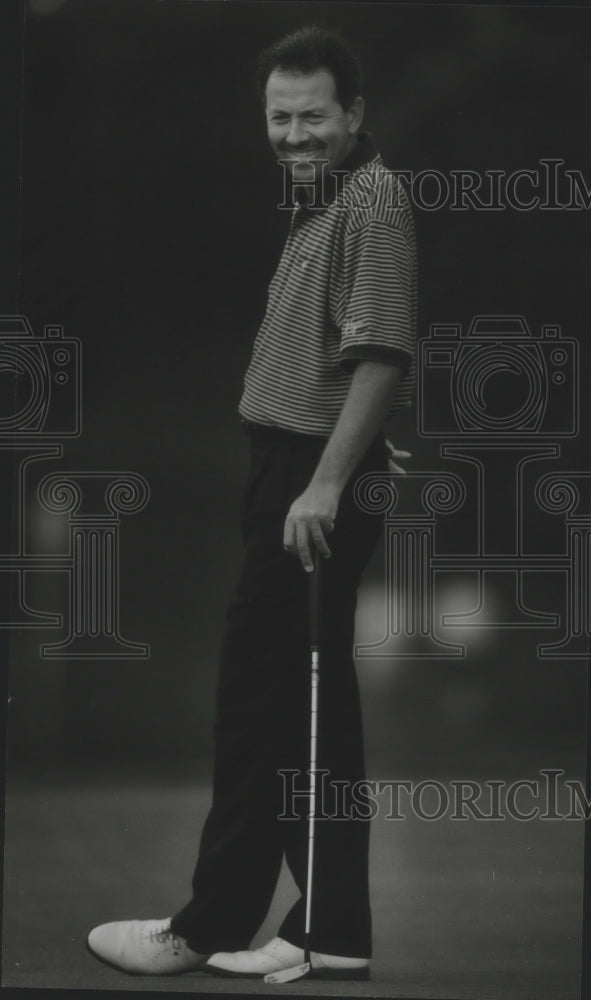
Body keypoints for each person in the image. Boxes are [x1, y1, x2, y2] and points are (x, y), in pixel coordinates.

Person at [87, 24, 416, 980]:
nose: (295, 133)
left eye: (313, 115)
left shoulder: (373, 197)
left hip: (311, 484)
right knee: (294, 712)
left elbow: (382, 350)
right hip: (302, 469)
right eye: (280, 116)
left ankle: (213, 927)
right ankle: (326, 929)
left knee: (263, 709)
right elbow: (341, 356)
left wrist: (327, 477)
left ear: (353, 114)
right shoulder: (319, 201)